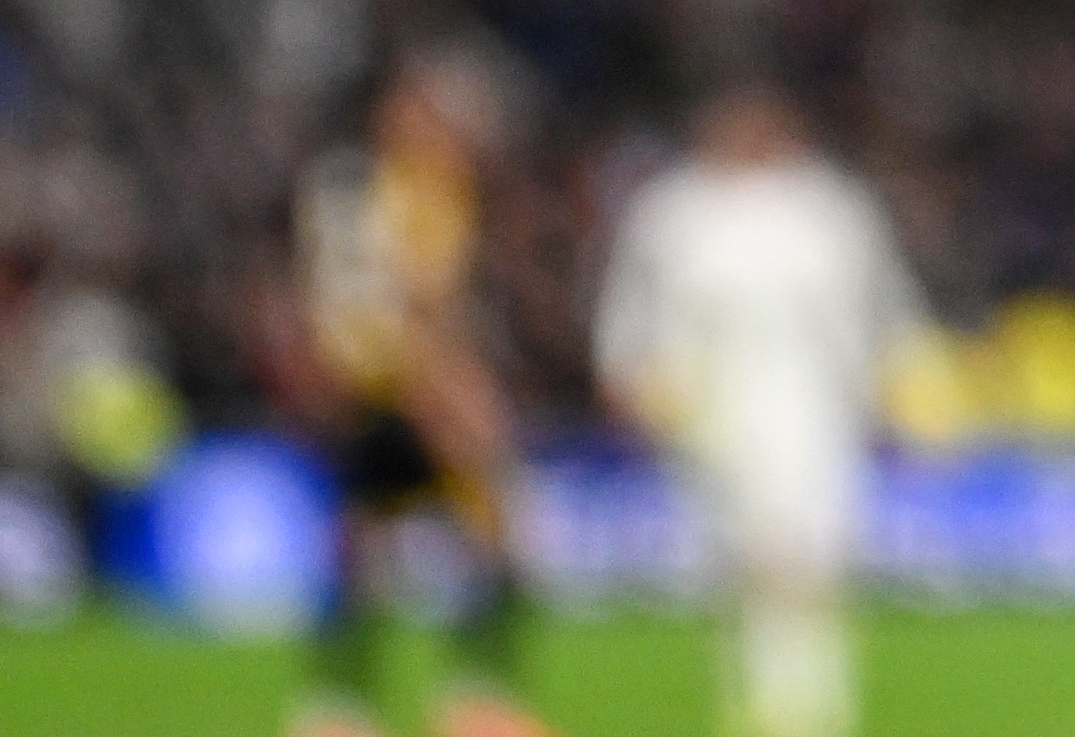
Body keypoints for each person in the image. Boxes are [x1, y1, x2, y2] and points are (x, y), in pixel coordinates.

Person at [595, 89, 919, 737]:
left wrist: (889, 377)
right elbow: (637, 308)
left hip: (812, 397)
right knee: (740, 555)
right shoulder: (676, 210)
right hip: (713, 397)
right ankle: (763, 690)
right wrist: (633, 374)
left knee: (812, 549)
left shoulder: (827, 207)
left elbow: (876, 304)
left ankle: (809, 696)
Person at [284, 53, 548, 737]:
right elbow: (424, 302)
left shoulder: (347, 190)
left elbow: (327, 302)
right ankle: (473, 702)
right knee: (487, 537)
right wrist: (452, 395)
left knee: (364, 549)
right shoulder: (418, 193)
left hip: (365, 390)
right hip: (404, 391)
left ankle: (338, 710)